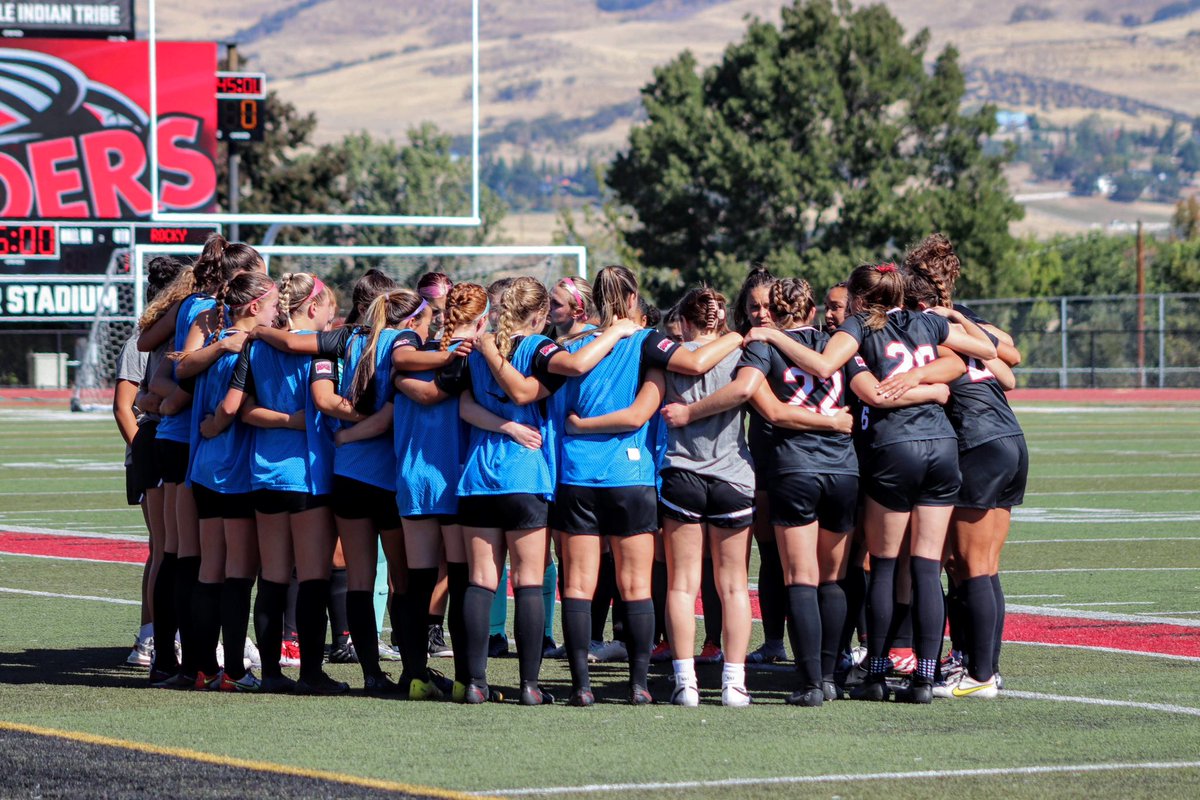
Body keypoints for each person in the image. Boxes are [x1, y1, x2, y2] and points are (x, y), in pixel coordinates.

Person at [746, 262, 996, 704]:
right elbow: (980, 352)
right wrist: (927, 381)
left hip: (893, 448)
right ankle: (923, 677)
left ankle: (877, 673)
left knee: (882, 565)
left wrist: (773, 335)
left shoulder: (861, 324)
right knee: (924, 567)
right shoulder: (927, 320)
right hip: (941, 446)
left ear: (860, 298)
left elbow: (827, 365)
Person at [439, 276, 643, 704]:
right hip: (525, 474)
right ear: (537, 315)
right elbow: (574, 366)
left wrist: (500, 421)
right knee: (529, 581)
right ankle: (530, 686)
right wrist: (617, 331)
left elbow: (463, 404)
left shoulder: (478, 347)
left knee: (480, 581)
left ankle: (475, 682)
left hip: (477, 477)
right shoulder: (535, 346)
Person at [555, 265, 742, 706]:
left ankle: (581, 686)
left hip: (577, 473)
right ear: (636, 296)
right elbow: (692, 364)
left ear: (596, 301)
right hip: (630, 474)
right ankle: (639, 685)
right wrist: (738, 335)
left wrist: (580, 428)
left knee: (578, 585)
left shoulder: (574, 344)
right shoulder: (647, 342)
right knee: (637, 584)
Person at [903, 237, 1027, 699]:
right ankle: (979, 666)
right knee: (982, 564)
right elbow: (1009, 363)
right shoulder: (966, 318)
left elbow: (999, 361)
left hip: (977, 440)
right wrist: (960, 320)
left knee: (966, 564)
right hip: (1009, 437)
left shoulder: (927, 322)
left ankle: (979, 673)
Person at [142, 235, 263, 687]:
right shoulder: (208, 313)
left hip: (183, 440)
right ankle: (191, 663)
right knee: (189, 558)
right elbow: (176, 369)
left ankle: (175, 662)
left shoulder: (200, 309)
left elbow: (162, 366)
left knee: (180, 555)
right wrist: (170, 401)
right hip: (191, 443)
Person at [217, 272, 346, 695]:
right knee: (312, 579)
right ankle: (309, 673)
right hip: (308, 475)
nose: (332, 317)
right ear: (312, 307)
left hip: (264, 473)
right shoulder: (318, 350)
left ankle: (271, 672)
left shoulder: (256, 347)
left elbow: (245, 410)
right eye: (328, 308)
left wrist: (285, 421)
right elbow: (325, 404)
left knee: (272, 578)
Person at [186, 269, 280, 691]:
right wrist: (218, 424)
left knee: (211, 569)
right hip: (235, 468)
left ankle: (202, 667)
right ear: (255, 306)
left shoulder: (212, 343)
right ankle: (235, 673)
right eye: (275, 306)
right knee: (239, 573)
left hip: (206, 468)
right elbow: (230, 407)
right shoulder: (246, 346)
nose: (278, 313)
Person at [112, 256, 186, 669]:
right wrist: (145, 451)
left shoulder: (178, 337)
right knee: (162, 548)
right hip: (152, 449)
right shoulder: (140, 342)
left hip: (164, 447)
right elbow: (124, 408)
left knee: (167, 548)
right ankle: (149, 636)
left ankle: (159, 634)